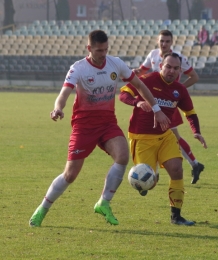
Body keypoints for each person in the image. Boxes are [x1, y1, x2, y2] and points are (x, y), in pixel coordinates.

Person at [29, 30, 170, 227]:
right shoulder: (78, 68)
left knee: (122, 156)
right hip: (83, 127)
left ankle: (104, 203)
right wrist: (57, 109)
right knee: (70, 175)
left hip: (107, 124)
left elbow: (139, 85)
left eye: (105, 49)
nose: (103, 54)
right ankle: (42, 208)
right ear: (89, 49)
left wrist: (156, 109)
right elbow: (64, 93)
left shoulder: (116, 63)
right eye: (98, 50)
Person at [119, 53, 207, 225]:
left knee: (177, 169)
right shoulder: (146, 80)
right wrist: (136, 103)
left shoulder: (179, 90)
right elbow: (123, 94)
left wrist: (196, 131)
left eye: (176, 68)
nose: (171, 71)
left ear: (180, 71)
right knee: (149, 183)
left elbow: (190, 113)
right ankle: (149, 181)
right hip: (142, 137)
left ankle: (176, 216)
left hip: (165, 136)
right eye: (168, 67)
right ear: (161, 66)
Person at [133, 30, 204, 185]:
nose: (164, 44)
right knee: (171, 137)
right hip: (154, 101)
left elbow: (195, 77)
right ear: (158, 41)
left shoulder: (178, 58)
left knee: (168, 137)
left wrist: (177, 92)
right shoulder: (153, 54)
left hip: (166, 105)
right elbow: (142, 71)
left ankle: (155, 173)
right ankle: (194, 164)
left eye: (167, 41)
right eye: (162, 41)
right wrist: (133, 72)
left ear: (171, 42)